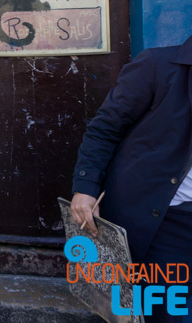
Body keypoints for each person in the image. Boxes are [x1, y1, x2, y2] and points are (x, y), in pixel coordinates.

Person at [71, 35, 192, 323]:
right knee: (166, 312)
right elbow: (104, 129)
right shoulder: (159, 65)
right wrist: (86, 187)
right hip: (163, 222)